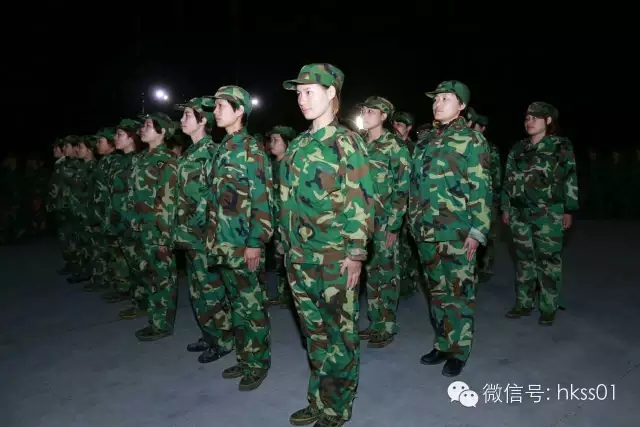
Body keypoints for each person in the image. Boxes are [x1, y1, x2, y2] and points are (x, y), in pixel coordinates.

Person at [280, 63, 375, 427]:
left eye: (309, 92)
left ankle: (336, 408)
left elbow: (360, 200)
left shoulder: (347, 142)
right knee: (314, 335)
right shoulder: (299, 145)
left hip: (334, 257)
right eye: (298, 93)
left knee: (340, 336)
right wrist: (285, 248)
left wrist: (356, 254)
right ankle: (319, 399)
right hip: (299, 257)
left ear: (331, 92)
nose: (301, 100)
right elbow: (286, 201)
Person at [409, 81, 491, 377]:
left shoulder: (471, 140)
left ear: (462, 106)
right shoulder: (425, 141)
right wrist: (412, 221)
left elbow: (481, 186)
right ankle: (443, 343)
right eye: (436, 99)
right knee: (437, 293)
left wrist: (478, 230)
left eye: (446, 98)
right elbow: (414, 185)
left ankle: (459, 350)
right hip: (426, 231)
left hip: (457, 231)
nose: (438, 103)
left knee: (460, 294)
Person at [210, 85, 273, 391]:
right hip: (223, 242)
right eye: (215, 106)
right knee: (237, 305)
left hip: (244, 242)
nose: (215, 111)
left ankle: (258, 363)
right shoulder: (223, 148)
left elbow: (262, 200)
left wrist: (255, 242)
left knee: (252, 306)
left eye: (221, 106)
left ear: (239, 111)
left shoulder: (252, 151)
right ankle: (245, 356)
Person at [502, 102, 578, 326]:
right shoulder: (519, 148)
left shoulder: (560, 146)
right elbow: (508, 179)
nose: (530, 121)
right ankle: (523, 303)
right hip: (519, 212)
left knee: (548, 261)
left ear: (548, 120)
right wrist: (505, 207)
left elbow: (570, 178)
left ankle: (548, 307)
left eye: (535, 117)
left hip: (549, 213)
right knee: (524, 260)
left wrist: (569, 209)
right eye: (527, 117)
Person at [174, 96, 234, 363]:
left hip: (203, 235)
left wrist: (200, 229)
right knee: (197, 290)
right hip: (188, 234)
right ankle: (209, 334)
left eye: (188, 115)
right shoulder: (190, 152)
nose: (182, 120)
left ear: (203, 121)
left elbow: (214, 197)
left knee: (211, 289)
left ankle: (224, 340)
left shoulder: (211, 152)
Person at [356, 96, 410, 348]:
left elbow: (402, 187)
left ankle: (387, 325)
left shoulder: (394, 145)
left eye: (371, 112)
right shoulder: (360, 143)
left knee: (386, 274)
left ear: (384, 116)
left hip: (385, 221)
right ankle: (375, 321)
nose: (365, 115)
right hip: (362, 222)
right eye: (364, 111)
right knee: (370, 272)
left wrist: (394, 224)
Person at [130, 113, 180, 341]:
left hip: (158, 229)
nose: (143, 129)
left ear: (162, 131)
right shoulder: (142, 158)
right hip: (143, 227)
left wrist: (164, 235)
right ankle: (154, 318)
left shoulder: (167, 160)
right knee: (150, 275)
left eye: (149, 125)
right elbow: (134, 194)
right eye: (144, 125)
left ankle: (162, 324)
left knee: (162, 277)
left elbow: (168, 201)